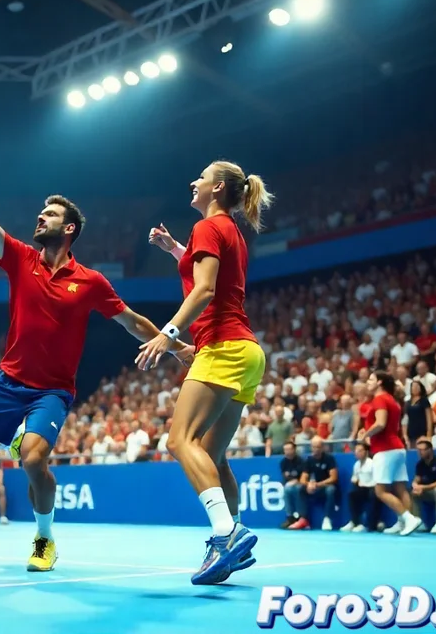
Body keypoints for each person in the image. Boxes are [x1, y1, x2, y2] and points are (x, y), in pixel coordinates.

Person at [0, 147, 194, 572]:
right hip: (8, 383)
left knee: (34, 459)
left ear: (68, 228)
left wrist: (175, 344)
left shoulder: (90, 281)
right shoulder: (20, 259)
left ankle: (44, 538)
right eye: (40, 212)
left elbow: (129, 320)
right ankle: (15, 437)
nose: (40, 217)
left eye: (49, 214)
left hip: (52, 391)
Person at [136, 160, 273, 585]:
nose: (193, 180)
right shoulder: (226, 229)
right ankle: (232, 537)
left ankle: (226, 534)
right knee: (211, 456)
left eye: (201, 177)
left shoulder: (209, 228)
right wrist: (176, 249)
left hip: (224, 346)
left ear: (216, 189)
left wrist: (168, 333)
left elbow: (207, 288)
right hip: (247, 352)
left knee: (179, 441)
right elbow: (212, 274)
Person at [363, 372, 422, 536]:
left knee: (380, 491)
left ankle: (409, 518)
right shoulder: (393, 400)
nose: (367, 382)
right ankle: (403, 522)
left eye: (370, 379)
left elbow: (380, 423)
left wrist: (365, 434)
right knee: (400, 488)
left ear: (379, 382)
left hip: (386, 450)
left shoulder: (380, 399)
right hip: (397, 448)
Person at [289, 436, 339, 530]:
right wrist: (308, 484)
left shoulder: (329, 459)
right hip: (313, 488)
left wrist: (317, 484)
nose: (316, 449)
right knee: (300, 488)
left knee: (331, 489)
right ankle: (304, 519)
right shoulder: (309, 460)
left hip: (325, 487)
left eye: (318, 447)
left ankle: (327, 519)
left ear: (323, 447)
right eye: (314, 447)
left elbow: (333, 478)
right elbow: (303, 479)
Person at [411, 438, 436, 534]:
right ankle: (418, 522)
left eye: (422, 450)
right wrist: (415, 485)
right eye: (418, 450)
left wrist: (424, 487)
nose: (419, 453)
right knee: (413, 492)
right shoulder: (420, 464)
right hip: (428, 492)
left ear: (430, 450)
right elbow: (417, 478)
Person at [342, 441, 379, 532]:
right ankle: (355, 522)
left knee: (372, 494)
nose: (357, 452)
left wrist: (364, 484)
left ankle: (368, 525)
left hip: (372, 488)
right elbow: (354, 478)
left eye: (360, 450)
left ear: (366, 452)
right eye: (356, 450)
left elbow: (377, 480)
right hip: (361, 488)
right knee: (351, 493)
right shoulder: (357, 465)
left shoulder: (372, 463)